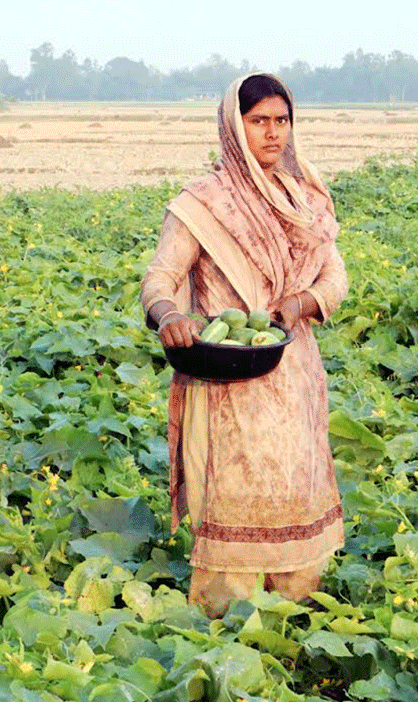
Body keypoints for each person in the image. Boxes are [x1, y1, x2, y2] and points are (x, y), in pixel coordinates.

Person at [140, 72, 348, 617]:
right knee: (232, 491)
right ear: (235, 128)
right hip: (228, 379)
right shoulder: (203, 203)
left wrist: (300, 303)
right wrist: (169, 317)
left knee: (293, 488)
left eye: (281, 121)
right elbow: (160, 279)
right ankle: (225, 626)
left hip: (294, 372)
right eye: (259, 122)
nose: (273, 133)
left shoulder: (305, 199)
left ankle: (295, 622)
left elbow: (334, 278)